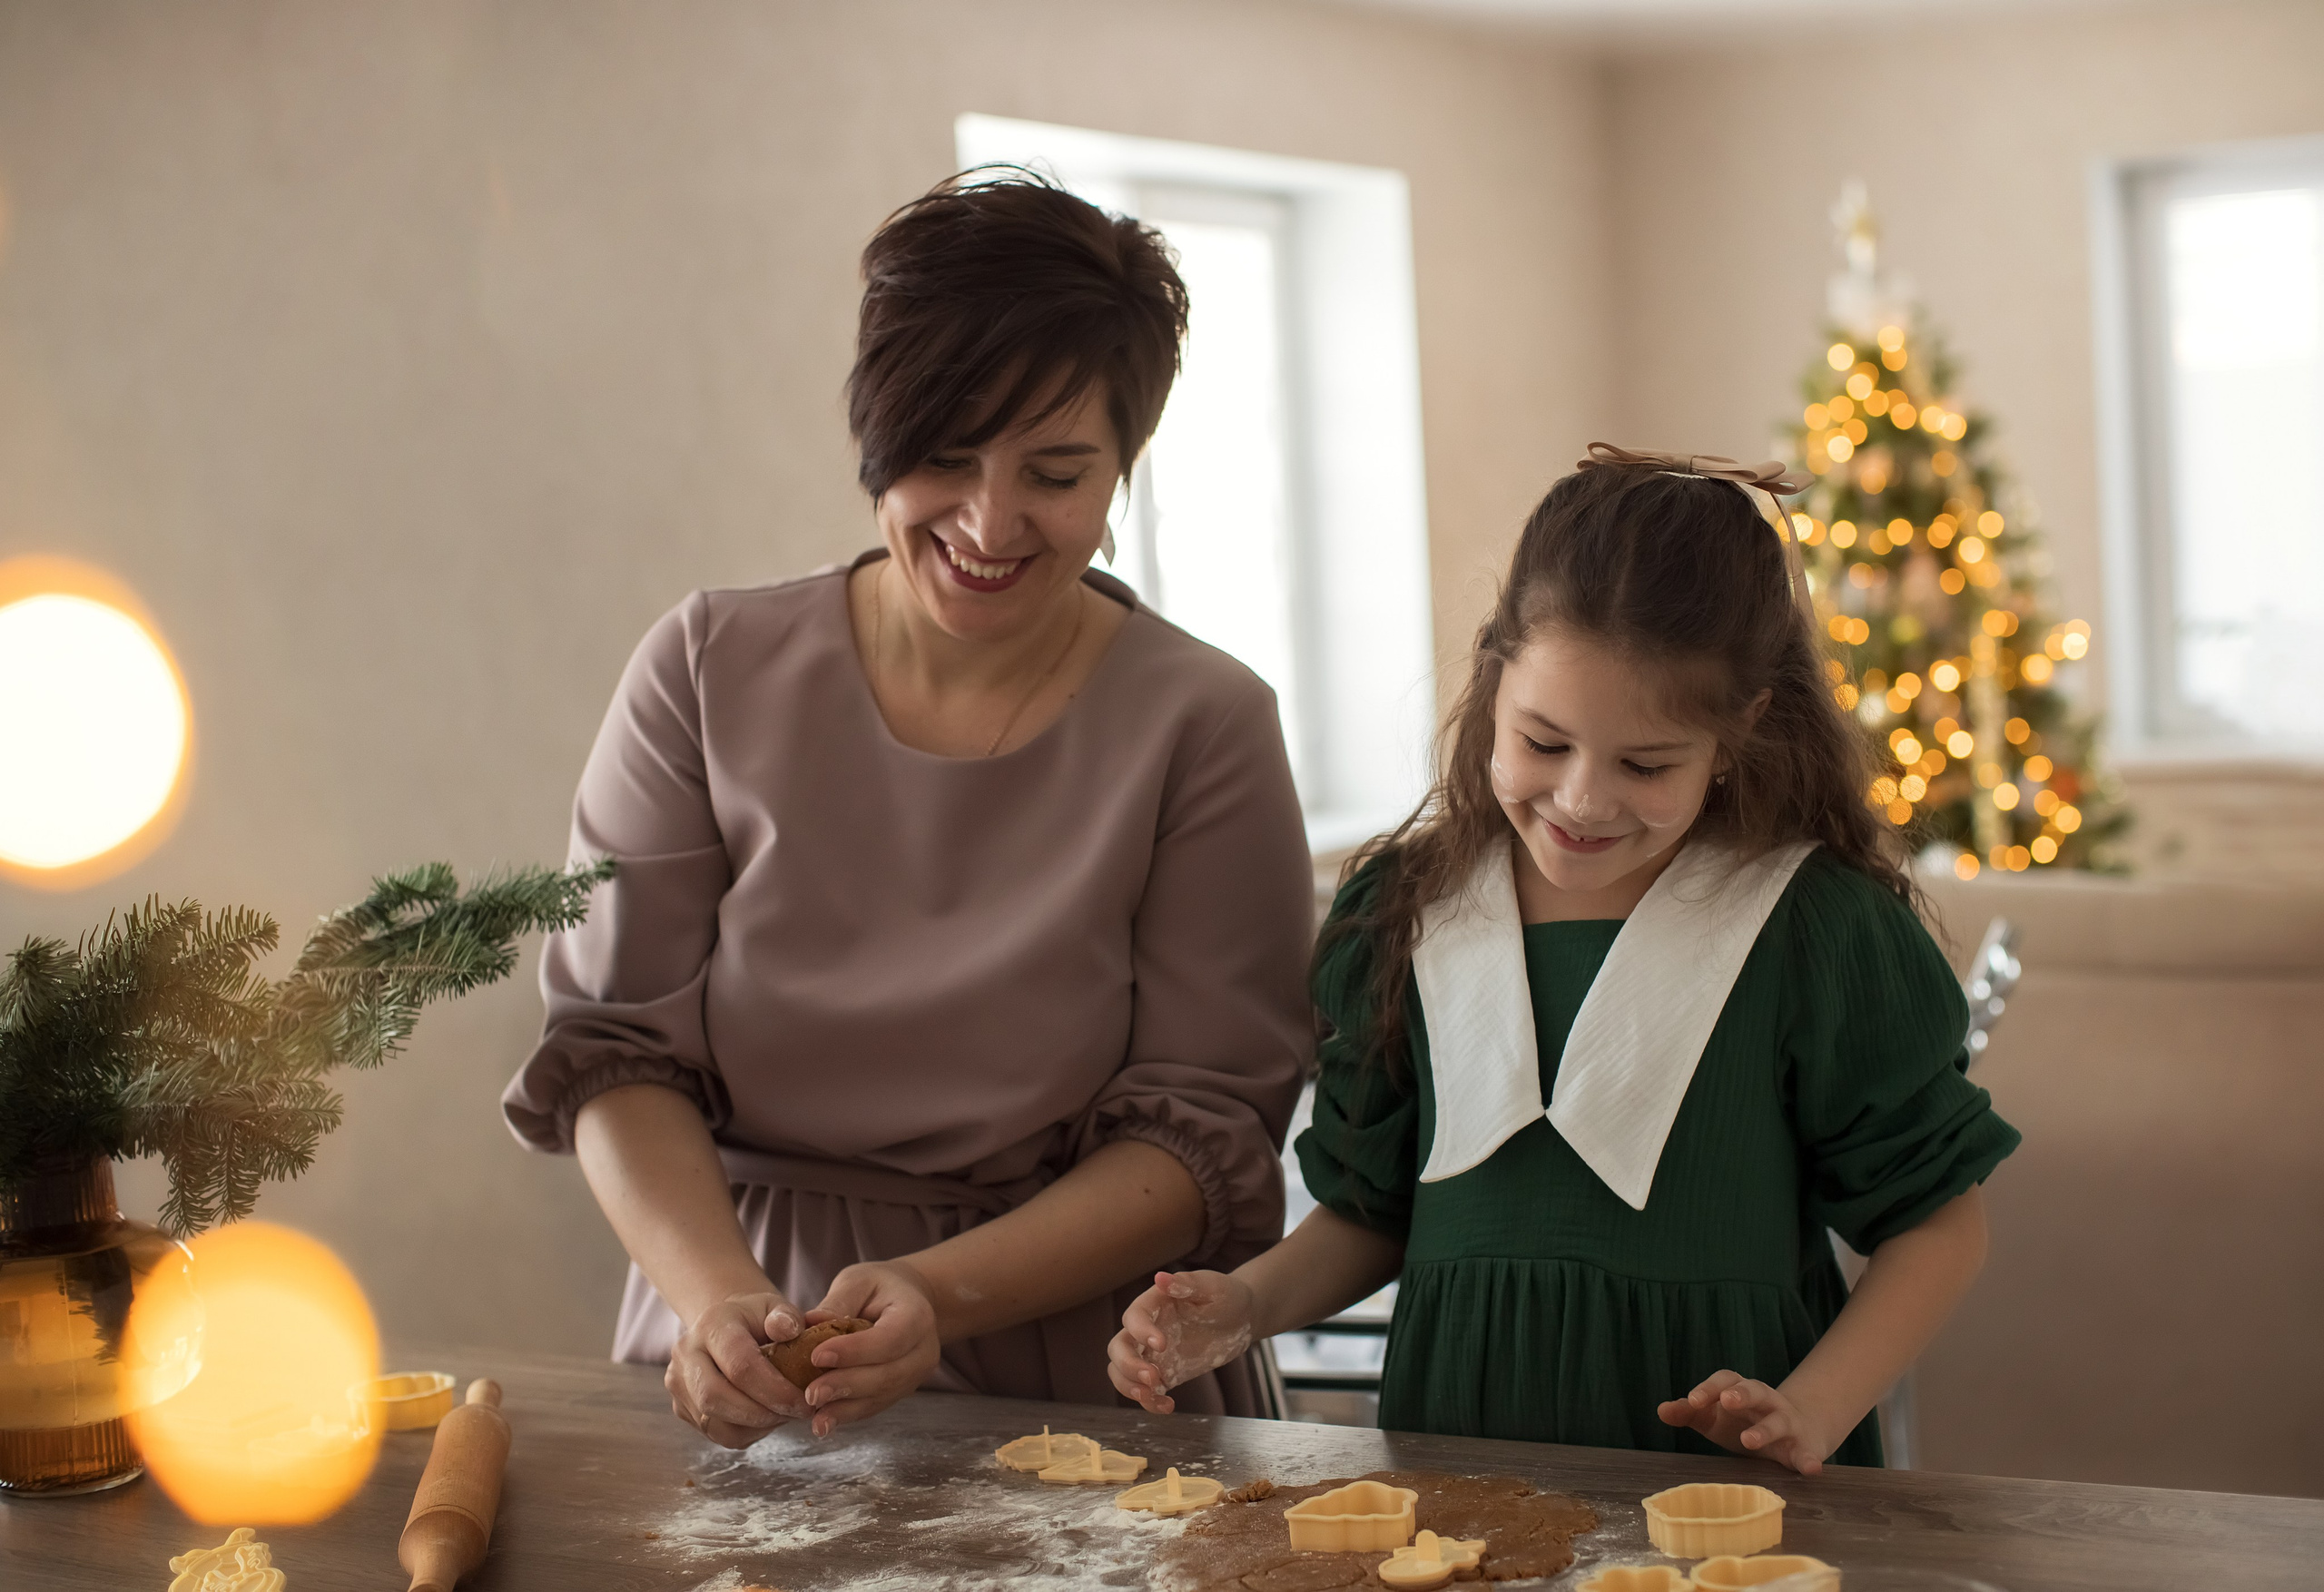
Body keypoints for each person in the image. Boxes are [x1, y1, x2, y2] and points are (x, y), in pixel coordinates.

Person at [503, 172, 1312, 1447]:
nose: (991, 523)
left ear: (1123, 468)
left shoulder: (1204, 721)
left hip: (1084, 1368)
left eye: (1055, 471)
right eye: (946, 458)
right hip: (744, 1346)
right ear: (877, 436)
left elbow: (1200, 1137)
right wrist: (718, 1298)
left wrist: (940, 1291)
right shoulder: (707, 667)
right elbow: (615, 1052)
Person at [1108, 444, 2020, 1474]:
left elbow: (1938, 1227)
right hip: (1451, 1470)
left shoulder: (1815, 929)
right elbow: (1375, 1211)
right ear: (1493, 679)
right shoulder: (1406, 912)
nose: (1582, 800)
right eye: (1543, 742)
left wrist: (1810, 1406)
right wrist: (1248, 1301)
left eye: (1644, 763)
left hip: (1730, 1502)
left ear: (1742, 730)